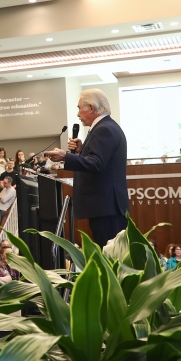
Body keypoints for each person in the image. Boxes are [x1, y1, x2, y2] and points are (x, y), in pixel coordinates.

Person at [46, 89, 129, 247]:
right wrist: (81, 151)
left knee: (111, 261)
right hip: (106, 207)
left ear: (91, 108)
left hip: (106, 208)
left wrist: (66, 156)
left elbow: (97, 163)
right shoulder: (106, 127)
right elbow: (100, 160)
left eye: (79, 108)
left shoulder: (104, 129)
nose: (78, 114)